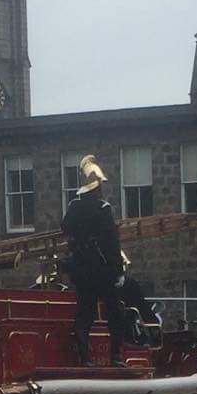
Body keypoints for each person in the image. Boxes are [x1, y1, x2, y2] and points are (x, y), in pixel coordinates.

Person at [62, 155, 125, 366]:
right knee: (115, 312)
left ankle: (84, 357)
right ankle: (116, 356)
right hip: (103, 270)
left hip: (81, 270)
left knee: (84, 315)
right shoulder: (103, 208)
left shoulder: (74, 207)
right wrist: (118, 270)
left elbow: (65, 227)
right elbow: (112, 243)